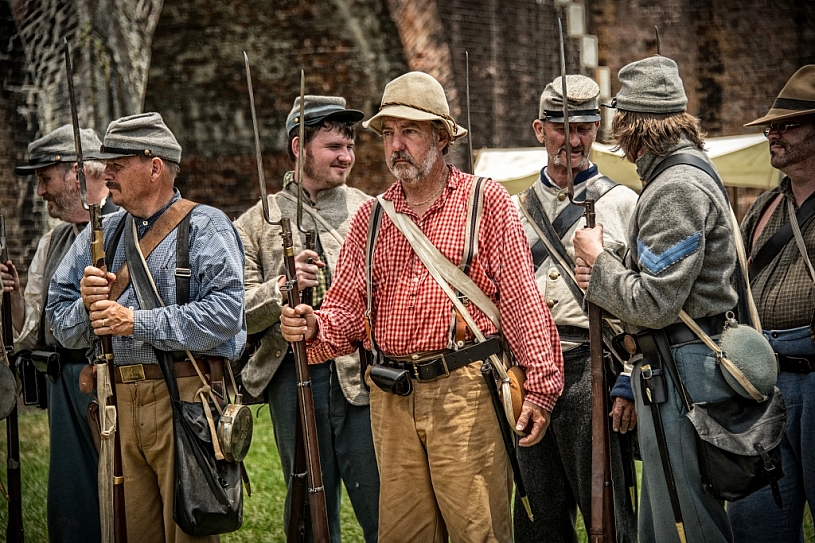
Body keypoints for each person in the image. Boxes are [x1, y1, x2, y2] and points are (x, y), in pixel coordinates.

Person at [280, 71, 564, 543]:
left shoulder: (485, 201)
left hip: (465, 394)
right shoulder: (371, 217)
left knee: (479, 532)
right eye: (389, 132)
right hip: (390, 400)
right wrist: (313, 326)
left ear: (440, 135)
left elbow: (521, 300)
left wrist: (541, 386)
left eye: (409, 131)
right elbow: (346, 313)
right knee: (403, 534)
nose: (395, 145)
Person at [46, 112, 246, 543]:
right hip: (116, 402)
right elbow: (61, 323)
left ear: (154, 167)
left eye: (118, 163)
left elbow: (227, 315)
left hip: (185, 399)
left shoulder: (205, 226)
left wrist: (136, 322)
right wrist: (88, 305)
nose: (107, 173)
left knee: (188, 531)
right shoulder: (101, 232)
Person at [573, 56, 740, 542]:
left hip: (681, 370)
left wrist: (599, 262)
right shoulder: (682, 177)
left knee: (687, 520)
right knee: (663, 517)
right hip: (675, 365)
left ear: (633, 124)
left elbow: (654, 304)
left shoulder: (675, 188)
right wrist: (616, 258)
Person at [233, 95, 379, 542]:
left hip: (361, 376)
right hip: (290, 377)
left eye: (350, 147)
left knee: (383, 507)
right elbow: (236, 311)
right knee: (308, 511)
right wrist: (280, 287)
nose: (347, 156)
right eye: (334, 146)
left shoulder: (372, 212)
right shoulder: (255, 223)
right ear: (299, 148)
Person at [512, 75, 638, 542]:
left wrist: (631, 374)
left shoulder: (625, 204)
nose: (574, 139)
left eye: (585, 127)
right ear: (539, 129)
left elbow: (644, 300)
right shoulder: (513, 208)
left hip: (595, 368)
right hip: (528, 371)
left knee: (608, 518)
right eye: (562, 127)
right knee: (537, 517)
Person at [3, 125, 114, 543]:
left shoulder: (125, 227)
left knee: (121, 494)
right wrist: (13, 299)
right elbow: (33, 325)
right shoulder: (53, 242)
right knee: (73, 497)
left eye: (45, 178)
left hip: (112, 380)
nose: (40, 192)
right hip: (61, 384)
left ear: (77, 173)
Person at [726, 65, 815, 542]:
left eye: (788, 125)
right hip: (762, 385)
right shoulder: (761, 211)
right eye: (770, 127)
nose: (773, 134)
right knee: (756, 526)